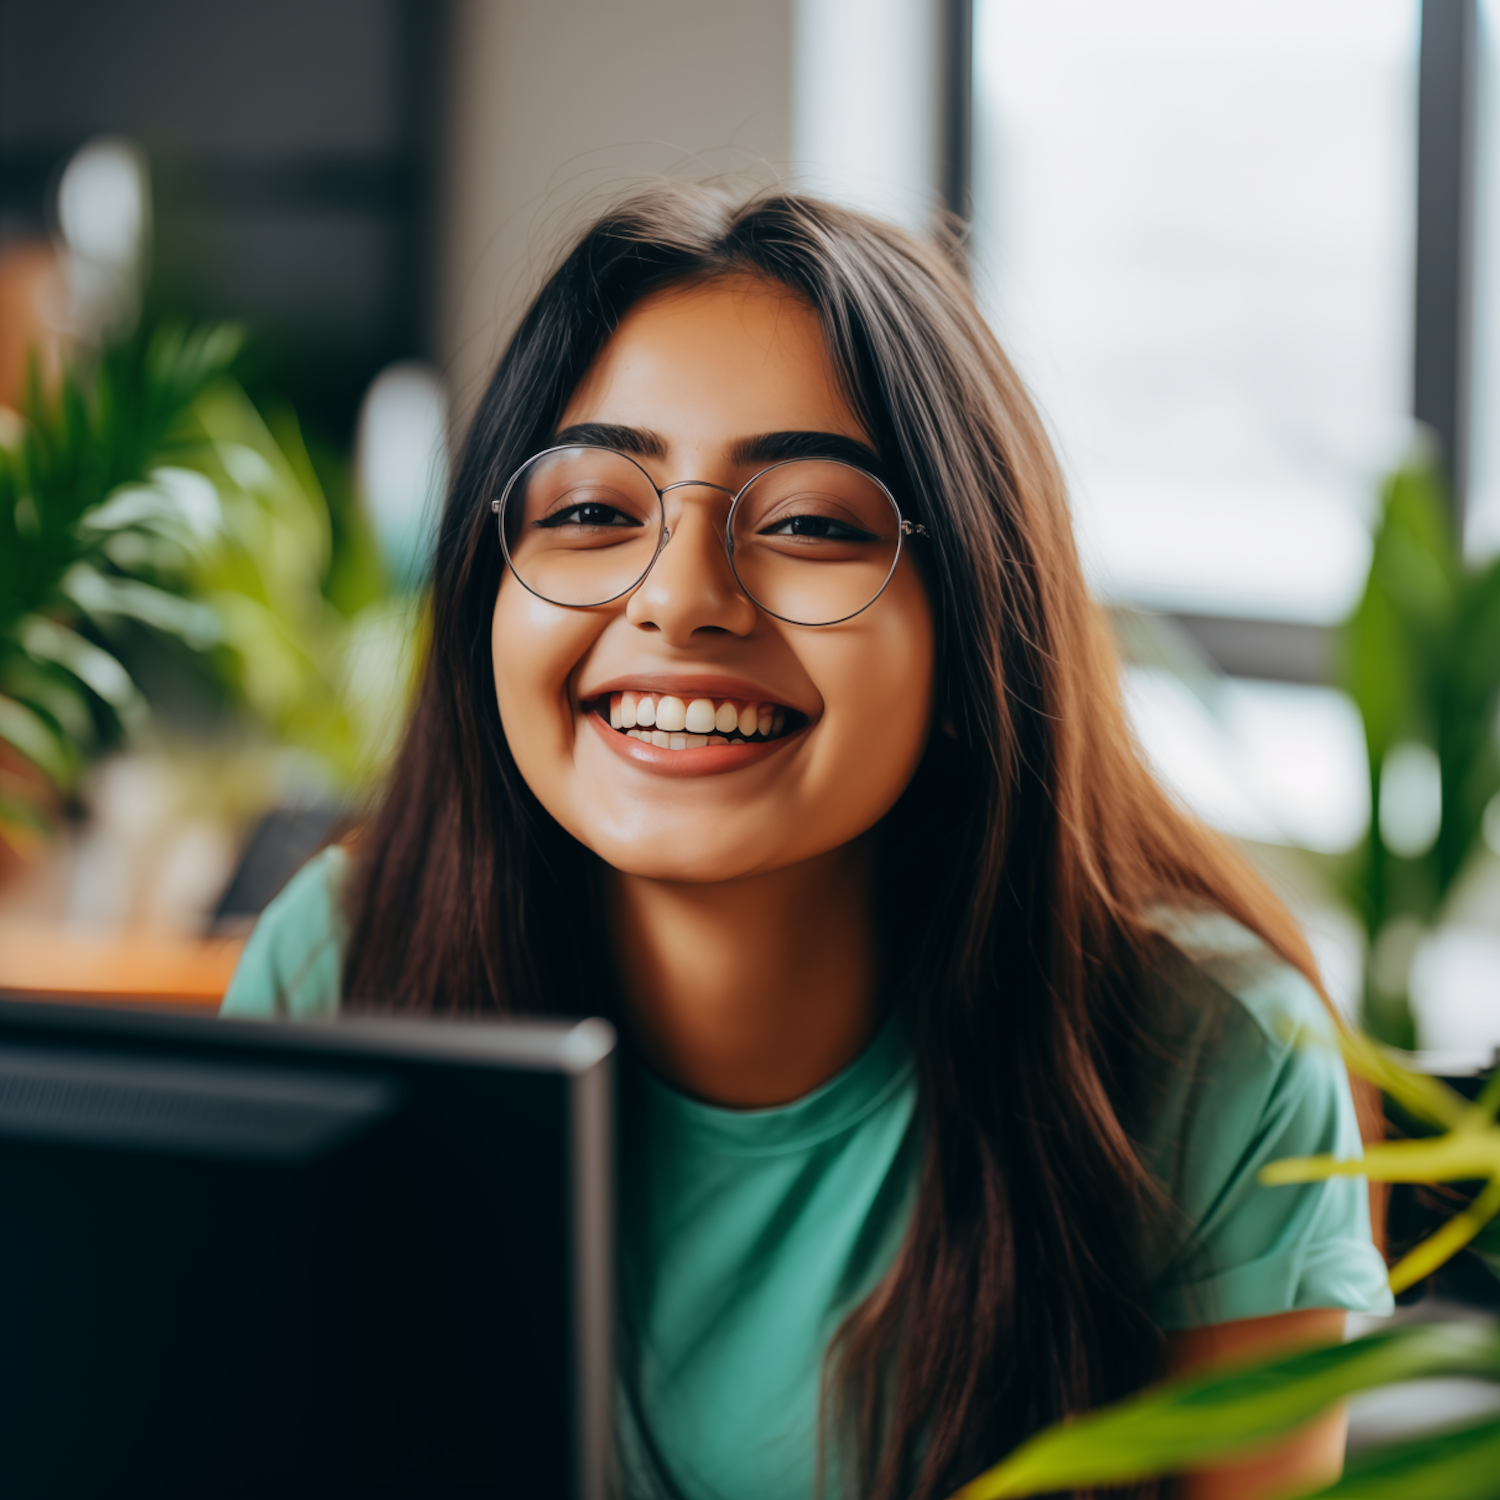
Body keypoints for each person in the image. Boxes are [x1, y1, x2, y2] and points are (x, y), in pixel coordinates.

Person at [222, 188, 1392, 1500]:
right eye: (595, 510)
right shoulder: (339, 967)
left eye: (811, 525)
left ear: (973, 629)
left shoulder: (1208, 1062)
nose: (679, 598)